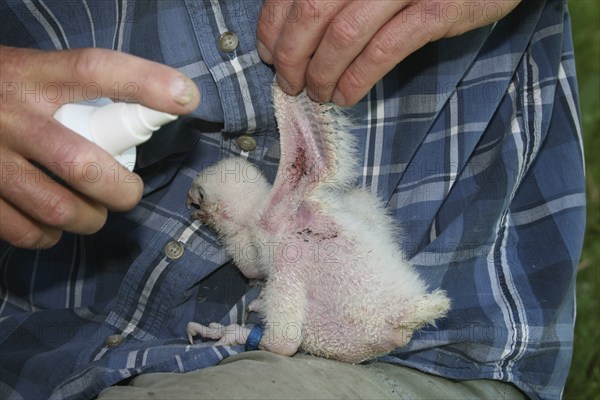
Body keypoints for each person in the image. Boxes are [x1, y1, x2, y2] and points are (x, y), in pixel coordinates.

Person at [0, 1, 585, 399]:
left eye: (204, 206)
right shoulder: (301, 210)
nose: (200, 214)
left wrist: (247, 334)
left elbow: (279, 324)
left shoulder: (285, 236)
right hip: (37, 335)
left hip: (426, 352)